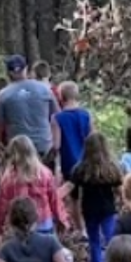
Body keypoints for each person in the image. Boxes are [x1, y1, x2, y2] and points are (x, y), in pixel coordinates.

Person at [66, 131, 122, 262]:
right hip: (108, 210)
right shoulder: (111, 168)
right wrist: (122, 202)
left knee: (94, 240)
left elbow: (73, 193)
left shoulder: (80, 169)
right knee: (110, 238)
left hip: (89, 210)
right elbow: (119, 189)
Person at [0, 135, 67, 238]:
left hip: (18, 227)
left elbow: (1, 204)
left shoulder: (9, 178)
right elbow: (54, 199)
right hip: (44, 223)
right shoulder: (45, 173)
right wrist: (61, 219)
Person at [0, 55, 59, 161]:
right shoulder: (45, 89)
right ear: (26, 69)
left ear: (9, 73)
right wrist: (56, 143)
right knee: (45, 176)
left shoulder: (4, 94)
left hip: (18, 149)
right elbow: (57, 116)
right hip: (44, 146)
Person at [56, 81, 93, 233]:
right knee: (90, 196)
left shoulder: (57, 118)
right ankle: (91, 225)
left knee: (74, 198)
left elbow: (56, 145)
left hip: (69, 162)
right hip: (87, 161)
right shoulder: (86, 115)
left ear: (61, 97)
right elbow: (93, 138)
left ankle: (80, 228)